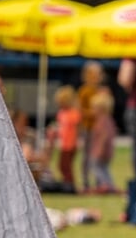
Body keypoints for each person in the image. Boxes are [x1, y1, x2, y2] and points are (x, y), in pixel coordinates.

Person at [77, 62, 106, 190]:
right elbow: (80, 110)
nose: (99, 77)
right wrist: (93, 113)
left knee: (99, 155)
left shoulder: (100, 90)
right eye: (96, 74)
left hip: (99, 129)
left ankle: (99, 181)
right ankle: (85, 181)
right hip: (89, 128)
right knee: (88, 156)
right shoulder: (85, 91)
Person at [47, 86, 81, 193]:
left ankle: (70, 184)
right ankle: (67, 182)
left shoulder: (74, 113)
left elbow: (77, 126)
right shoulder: (61, 113)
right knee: (62, 165)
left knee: (65, 165)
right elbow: (61, 127)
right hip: (65, 144)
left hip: (71, 144)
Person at [85, 87, 118, 194]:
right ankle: (107, 184)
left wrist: (98, 150)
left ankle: (105, 184)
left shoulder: (102, 121)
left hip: (100, 151)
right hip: (106, 151)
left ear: (101, 109)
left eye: (94, 108)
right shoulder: (107, 120)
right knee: (103, 169)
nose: (92, 111)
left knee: (96, 168)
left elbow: (104, 137)